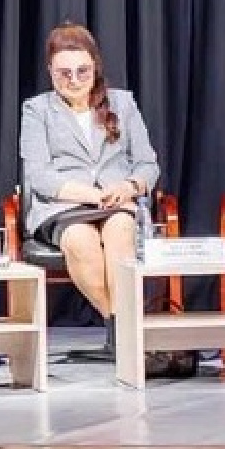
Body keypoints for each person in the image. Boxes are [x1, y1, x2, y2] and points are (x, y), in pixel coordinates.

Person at [20, 24, 161, 361]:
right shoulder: (37, 110)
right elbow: (39, 175)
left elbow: (148, 164)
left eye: (82, 71)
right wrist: (90, 195)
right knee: (80, 240)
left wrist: (129, 186)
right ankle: (124, 330)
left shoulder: (122, 103)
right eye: (63, 73)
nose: (74, 80)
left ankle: (120, 338)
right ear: (50, 71)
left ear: (95, 67)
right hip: (63, 206)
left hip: (118, 201)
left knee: (120, 229)